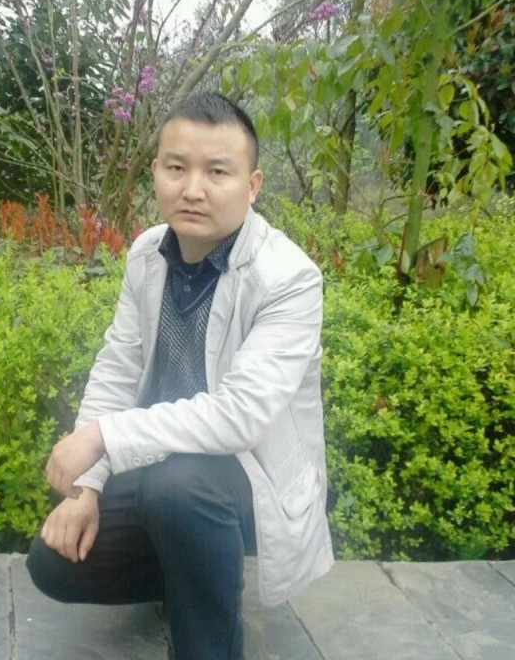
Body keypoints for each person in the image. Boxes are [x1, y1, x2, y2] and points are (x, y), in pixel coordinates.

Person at [26, 92, 333, 660]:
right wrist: (86, 487)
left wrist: (100, 437)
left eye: (217, 172)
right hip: (158, 465)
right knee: (54, 563)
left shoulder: (289, 278)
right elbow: (118, 368)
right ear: (155, 173)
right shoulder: (148, 253)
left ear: (252, 185)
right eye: (176, 168)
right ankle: (195, 576)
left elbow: (240, 416)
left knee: (180, 487)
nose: (193, 189)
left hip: (245, 479)